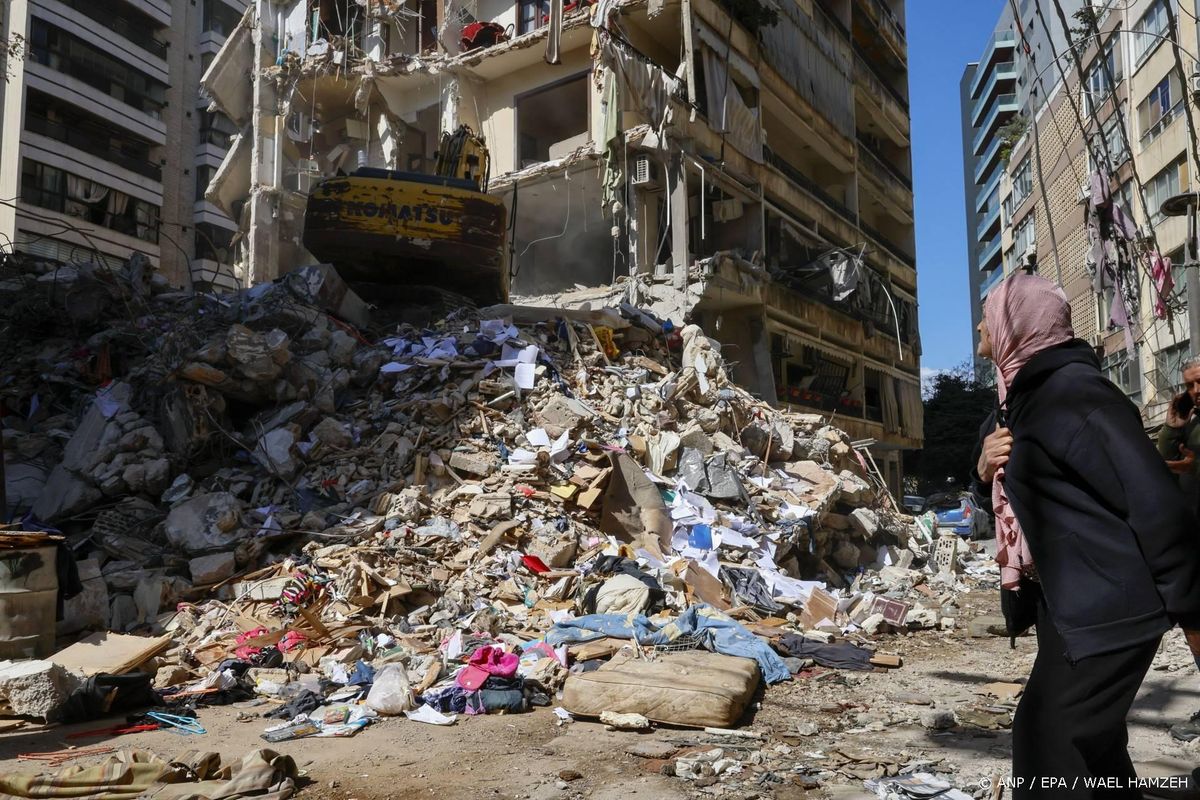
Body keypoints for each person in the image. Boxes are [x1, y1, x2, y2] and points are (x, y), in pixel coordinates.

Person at [968, 273, 1200, 797]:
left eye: (989, 312)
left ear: (1016, 324)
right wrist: (981, 469)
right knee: (1094, 748)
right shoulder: (1017, 398)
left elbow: (1154, 501)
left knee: (1049, 742)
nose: (981, 322)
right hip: (1073, 602)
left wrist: (1189, 605)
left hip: (1108, 608)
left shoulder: (1073, 394)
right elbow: (1013, 482)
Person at [1156, 355, 1200, 742]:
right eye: (1189, 385)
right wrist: (1172, 428)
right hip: (1191, 539)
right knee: (1194, 624)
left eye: (1199, 382)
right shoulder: (1191, 420)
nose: (1195, 392)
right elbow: (1162, 463)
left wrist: (1188, 466)